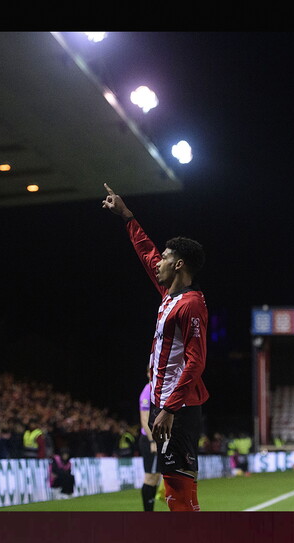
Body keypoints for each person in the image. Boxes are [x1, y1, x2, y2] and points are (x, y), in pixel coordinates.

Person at [102, 183, 209, 512]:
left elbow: (196, 361)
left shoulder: (190, 304)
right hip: (168, 409)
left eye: (165, 257)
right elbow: (146, 253)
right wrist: (127, 216)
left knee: (178, 496)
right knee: (180, 494)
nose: (158, 261)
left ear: (179, 265)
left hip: (179, 411)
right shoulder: (169, 297)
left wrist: (169, 409)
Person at [138, 364, 162, 511]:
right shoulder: (148, 390)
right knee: (150, 477)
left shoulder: (158, 390)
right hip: (149, 440)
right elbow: (144, 419)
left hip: (158, 439)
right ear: (148, 373)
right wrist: (152, 440)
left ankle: (150, 512)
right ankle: (147, 513)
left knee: (156, 477)